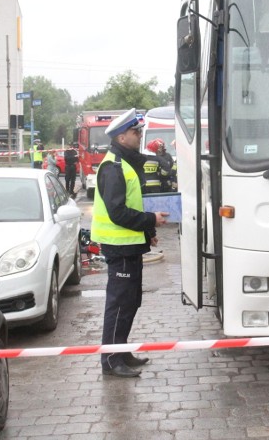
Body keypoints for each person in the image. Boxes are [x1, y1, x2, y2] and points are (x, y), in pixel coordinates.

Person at [92, 108, 169, 378]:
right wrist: (151, 219)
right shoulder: (114, 167)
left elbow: (129, 207)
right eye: (136, 132)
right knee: (120, 303)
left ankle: (121, 352)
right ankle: (111, 361)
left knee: (131, 301)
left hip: (130, 245)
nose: (139, 136)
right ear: (122, 136)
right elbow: (118, 212)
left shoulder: (123, 163)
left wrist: (147, 231)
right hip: (119, 248)